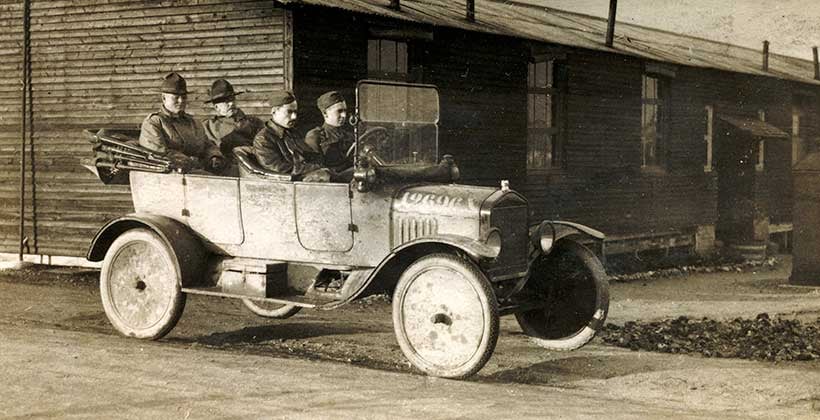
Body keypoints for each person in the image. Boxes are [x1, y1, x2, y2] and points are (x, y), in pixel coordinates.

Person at [139, 72, 224, 173]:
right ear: (164, 98)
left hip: (197, 172)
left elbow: (208, 145)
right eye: (176, 97)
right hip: (170, 175)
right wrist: (193, 163)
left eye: (184, 97)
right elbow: (157, 154)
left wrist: (214, 157)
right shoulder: (154, 123)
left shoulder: (193, 123)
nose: (181, 101)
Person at [253, 90, 327, 180]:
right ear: (274, 112)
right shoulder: (263, 139)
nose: (294, 117)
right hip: (287, 185)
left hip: (304, 177)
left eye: (295, 112)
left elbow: (309, 154)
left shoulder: (292, 132)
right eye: (289, 112)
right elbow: (279, 168)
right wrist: (314, 168)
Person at [202, 79, 264, 171]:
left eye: (232, 99)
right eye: (226, 101)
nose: (231, 103)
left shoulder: (253, 122)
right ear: (216, 107)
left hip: (250, 168)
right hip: (221, 170)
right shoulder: (207, 126)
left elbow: (264, 147)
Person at [304, 91, 355, 173]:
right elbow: (315, 169)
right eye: (339, 111)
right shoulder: (315, 136)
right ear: (325, 113)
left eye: (345, 111)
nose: (344, 115)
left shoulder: (349, 135)